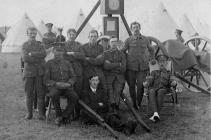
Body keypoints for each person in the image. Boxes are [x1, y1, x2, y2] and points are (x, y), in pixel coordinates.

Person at [122, 21, 155, 109]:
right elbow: (123, 51)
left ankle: (139, 103)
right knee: (131, 86)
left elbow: (151, 49)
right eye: (134, 28)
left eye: (137, 27)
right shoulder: (128, 40)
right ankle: (134, 103)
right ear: (131, 29)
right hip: (131, 67)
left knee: (140, 86)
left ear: (140, 28)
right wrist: (126, 59)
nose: (135, 29)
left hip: (142, 67)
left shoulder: (145, 39)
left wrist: (152, 59)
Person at [44, 43, 79, 125]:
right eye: (57, 51)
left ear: (63, 52)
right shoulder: (49, 63)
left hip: (66, 87)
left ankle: (64, 116)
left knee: (75, 97)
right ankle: (58, 115)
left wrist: (69, 83)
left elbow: (73, 76)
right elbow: (46, 79)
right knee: (54, 95)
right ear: (53, 51)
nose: (59, 53)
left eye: (61, 51)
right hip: (55, 87)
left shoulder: (67, 63)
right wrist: (56, 83)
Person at [22, 27, 46, 120]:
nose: (33, 35)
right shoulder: (24, 45)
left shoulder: (40, 44)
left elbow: (44, 54)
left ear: (36, 34)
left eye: (34, 33)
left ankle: (41, 114)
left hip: (39, 72)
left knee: (40, 93)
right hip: (29, 73)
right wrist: (38, 58)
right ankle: (29, 113)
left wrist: (32, 54)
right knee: (29, 94)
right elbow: (25, 58)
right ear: (27, 34)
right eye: (31, 33)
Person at [143, 55, 177, 122]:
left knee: (160, 91)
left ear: (166, 63)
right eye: (160, 62)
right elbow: (150, 80)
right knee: (151, 91)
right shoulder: (154, 72)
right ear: (158, 63)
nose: (162, 63)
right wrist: (146, 83)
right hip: (154, 88)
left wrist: (174, 82)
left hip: (164, 89)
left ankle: (156, 113)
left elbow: (172, 80)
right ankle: (156, 114)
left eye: (163, 62)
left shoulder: (168, 73)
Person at [103, 37, 126, 112]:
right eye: (112, 41)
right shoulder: (105, 53)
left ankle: (116, 105)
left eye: (115, 41)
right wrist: (118, 64)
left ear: (117, 43)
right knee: (109, 90)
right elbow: (106, 66)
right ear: (109, 43)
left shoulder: (122, 54)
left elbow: (123, 68)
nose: (114, 43)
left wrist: (112, 65)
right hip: (109, 76)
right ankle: (112, 104)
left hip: (119, 76)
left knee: (118, 90)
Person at [64, 28, 84, 97]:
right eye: (70, 34)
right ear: (67, 35)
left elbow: (82, 56)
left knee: (78, 88)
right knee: (69, 89)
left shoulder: (79, 45)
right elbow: (63, 56)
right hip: (67, 69)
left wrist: (73, 53)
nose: (72, 36)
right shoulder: (63, 45)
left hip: (77, 69)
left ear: (75, 35)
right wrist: (76, 55)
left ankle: (77, 106)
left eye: (73, 34)